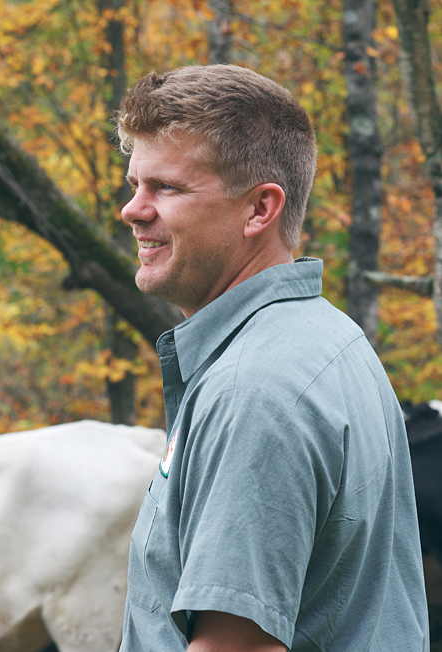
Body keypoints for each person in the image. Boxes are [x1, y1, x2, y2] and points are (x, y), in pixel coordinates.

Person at [115, 65, 427, 651]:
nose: (133, 209)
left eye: (167, 188)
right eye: (135, 184)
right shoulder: (332, 340)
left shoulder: (254, 387)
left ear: (260, 210)